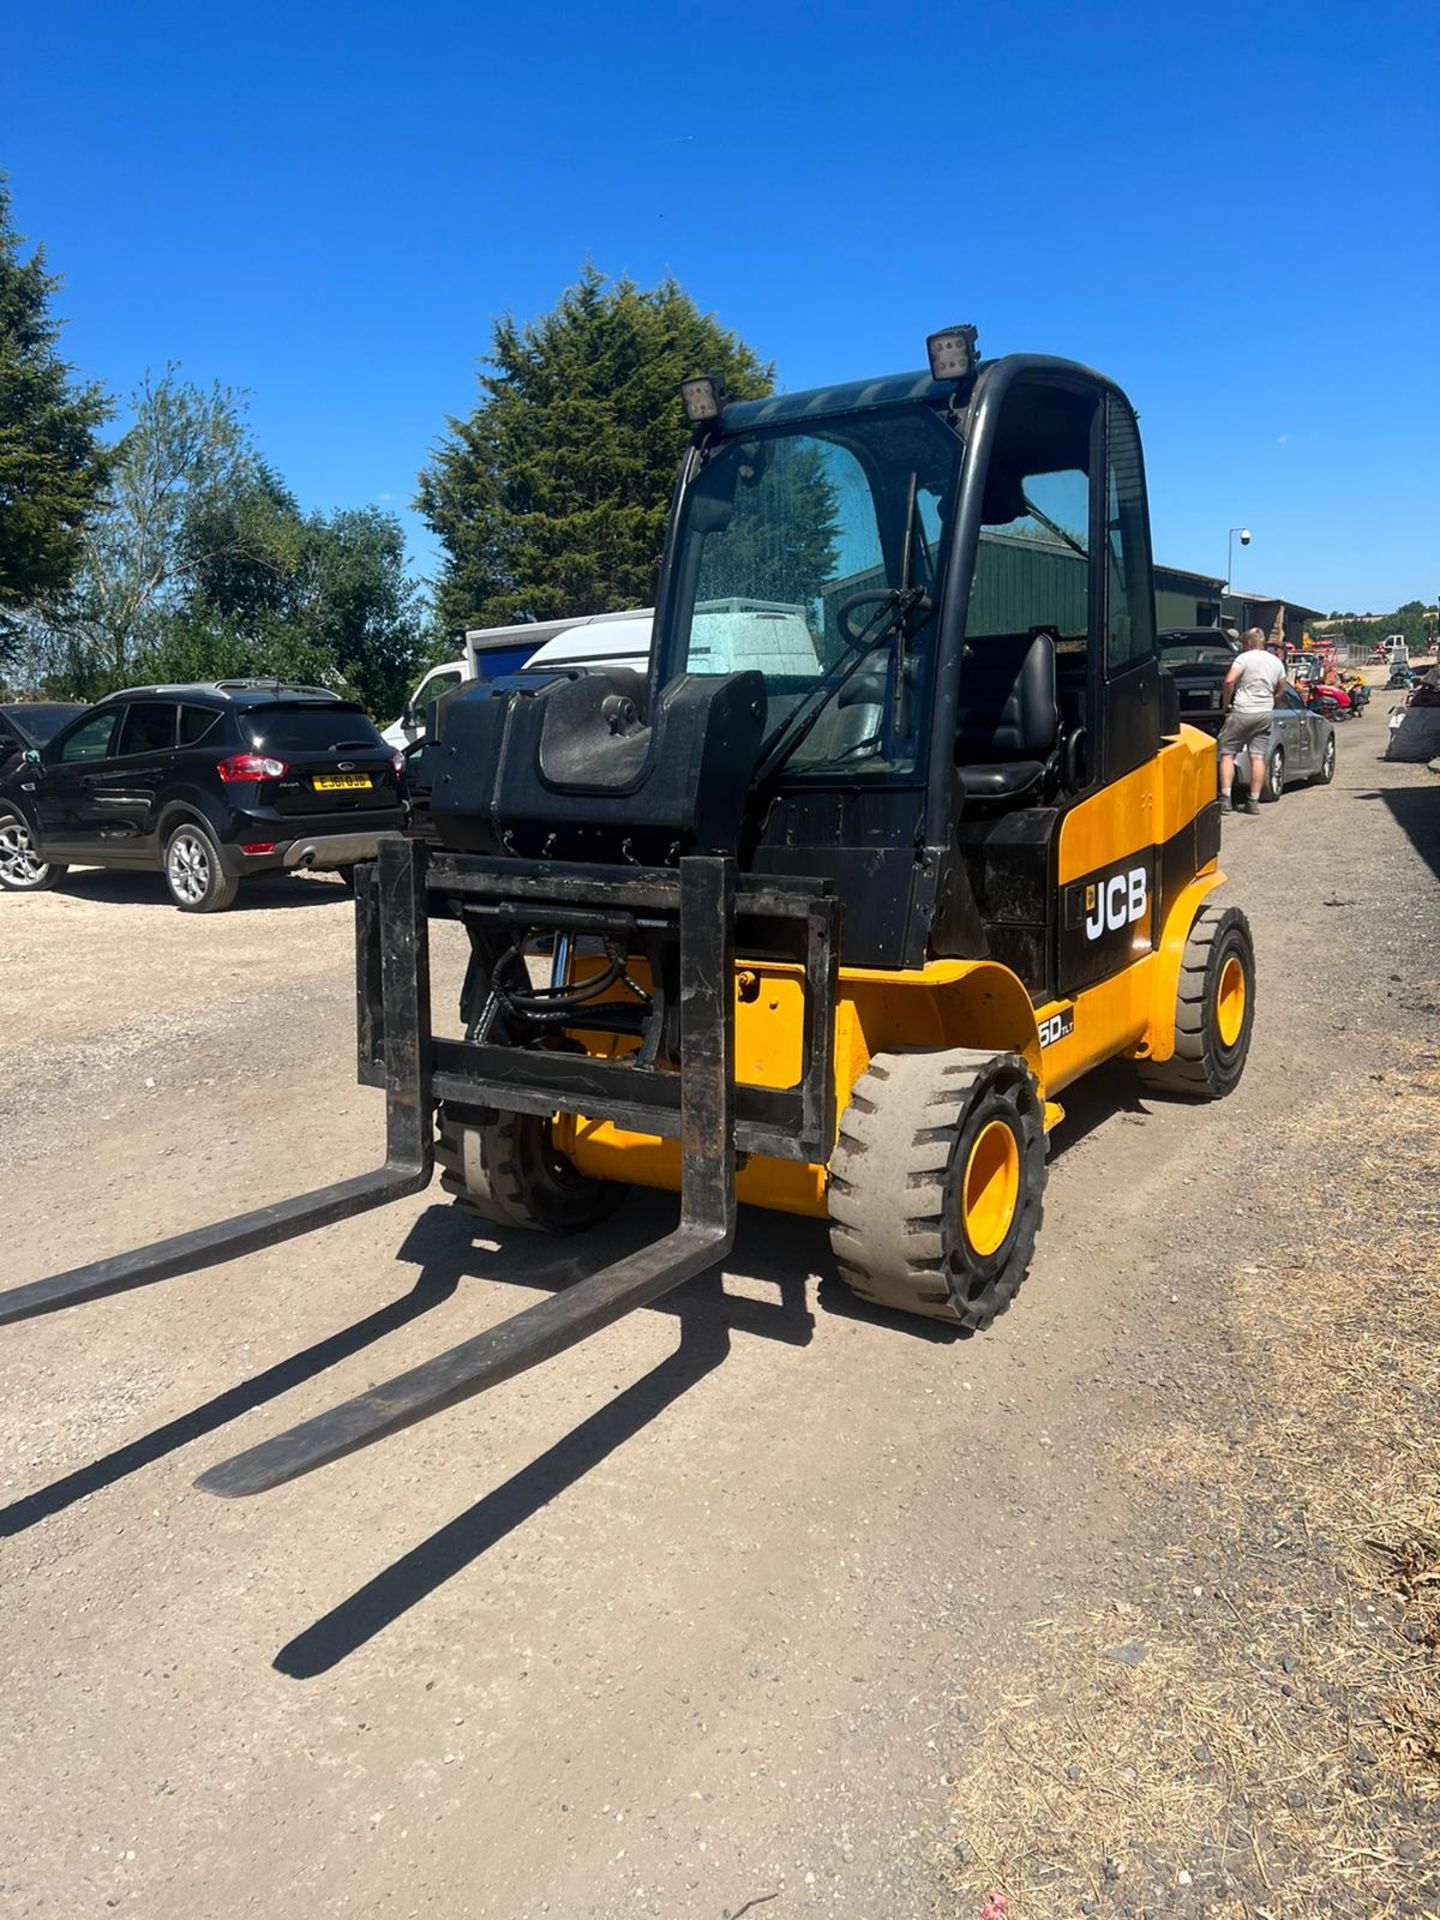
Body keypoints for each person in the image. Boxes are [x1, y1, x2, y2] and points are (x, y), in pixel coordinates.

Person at [1217, 628, 1289, 815]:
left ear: (1248, 643)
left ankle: (1225, 799)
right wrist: (1272, 699)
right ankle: (1253, 801)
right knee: (1257, 757)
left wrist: (1226, 704)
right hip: (1264, 714)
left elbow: (1228, 681)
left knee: (1227, 754)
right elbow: (1283, 688)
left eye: (1242, 644)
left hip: (1242, 711)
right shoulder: (1275, 662)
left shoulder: (1244, 658)